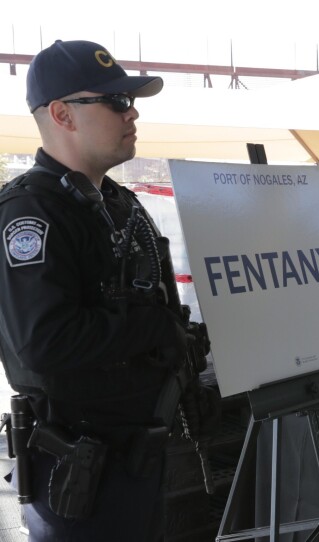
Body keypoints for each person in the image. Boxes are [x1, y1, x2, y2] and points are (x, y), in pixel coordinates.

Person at [0, 40, 194, 541]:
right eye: (114, 102)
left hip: (138, 457)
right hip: (79, 475)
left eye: (130, 102)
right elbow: (45, 343)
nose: (132, 114)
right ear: (62, 114)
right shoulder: (31, 213)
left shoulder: (118, 202)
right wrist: (155, 328)